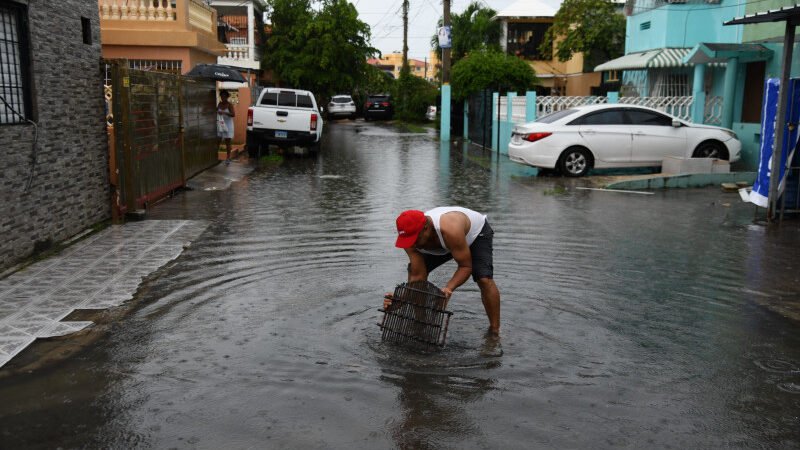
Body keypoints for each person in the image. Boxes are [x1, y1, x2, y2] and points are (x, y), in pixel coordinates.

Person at [391, 207, 500, 336]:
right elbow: (417, 276)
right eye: (408, 240)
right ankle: (421, 324)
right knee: (415, 280)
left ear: (426, 228)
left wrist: (449, 288)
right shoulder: (409, 240)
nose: (412, 244)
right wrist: (400, 300)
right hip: (445, 243)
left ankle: (495, 330)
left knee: (483, 279)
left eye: (415, 239)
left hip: (474, 235)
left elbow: (465, 266)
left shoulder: (450, 229)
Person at [217, 90, 235, 165]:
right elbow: (217, 111)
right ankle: (216, 156)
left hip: (228, 125)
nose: (223, 97)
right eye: (222, 96)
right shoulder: (219, 104)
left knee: (227, 141)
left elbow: (233, 114)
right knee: (218, 140)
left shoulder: (229, 105)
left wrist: (224, 112)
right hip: (221, 124)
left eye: (224, 96)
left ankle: (228, 157)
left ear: (227, 97)